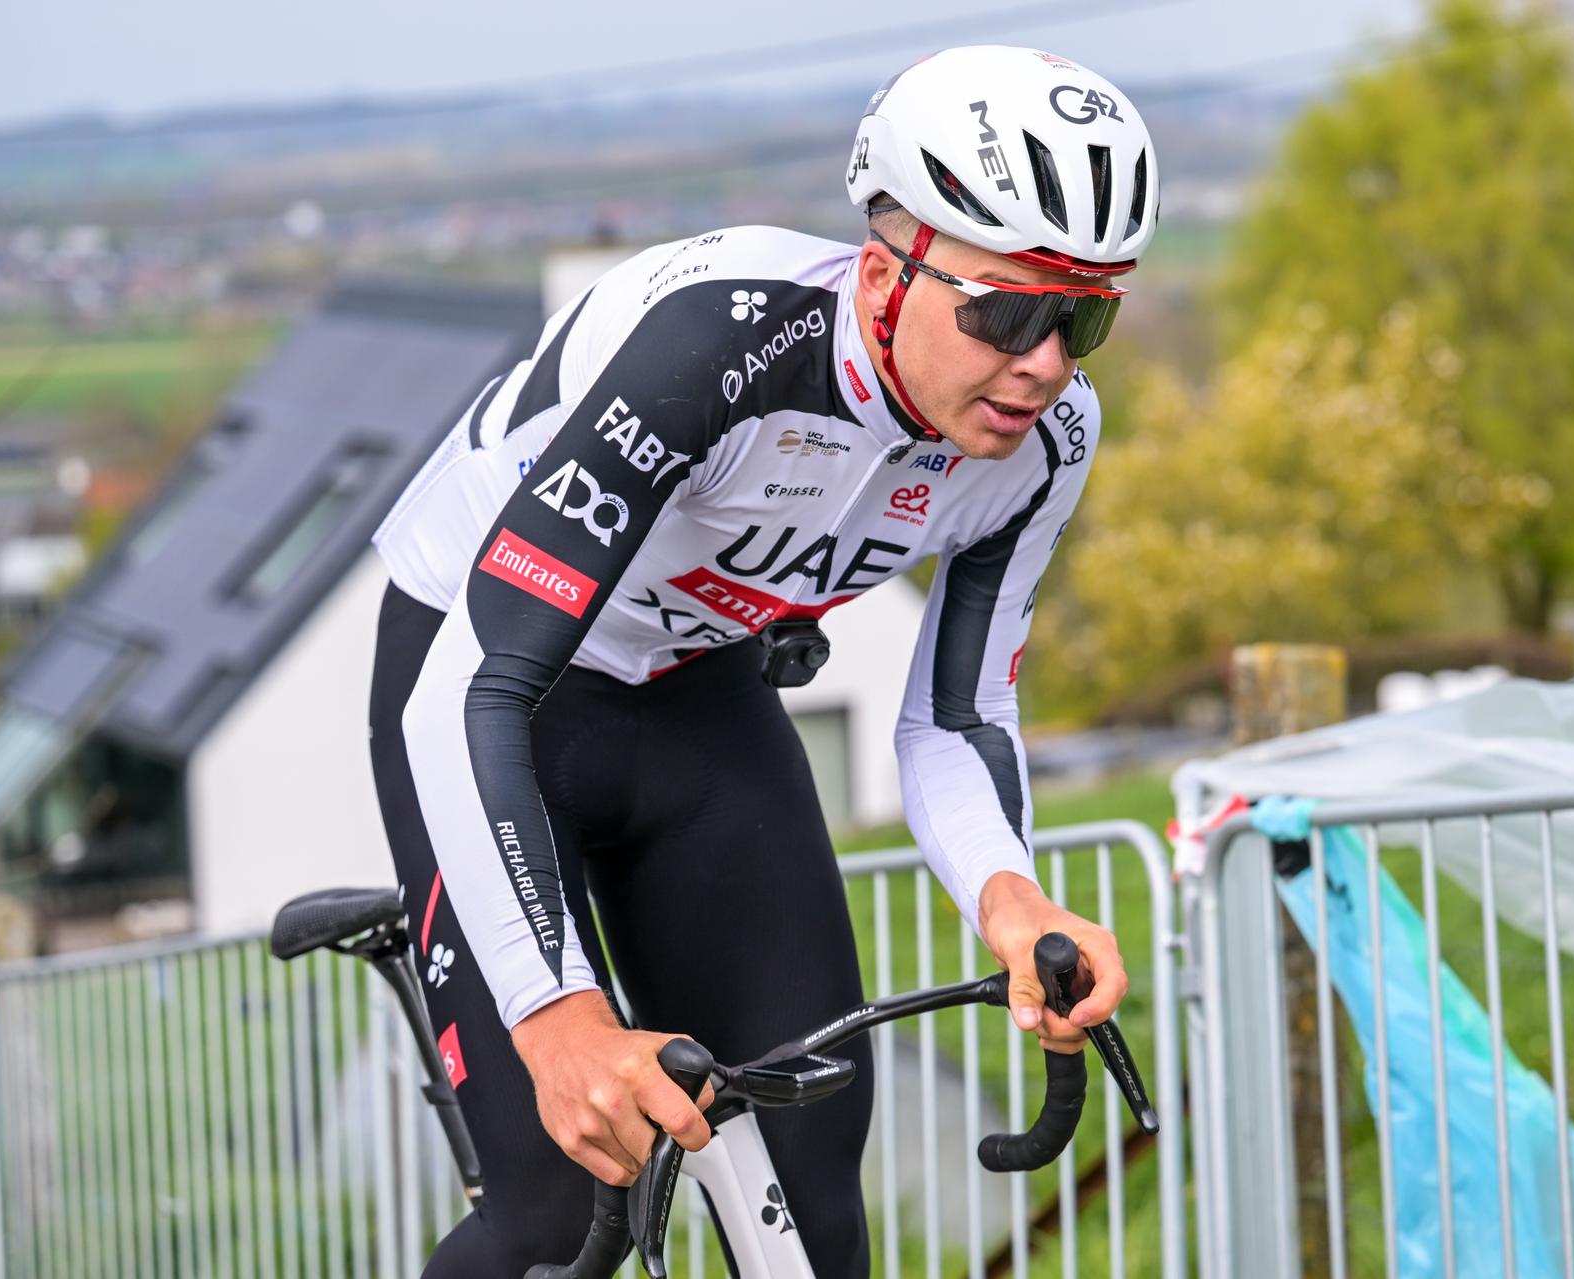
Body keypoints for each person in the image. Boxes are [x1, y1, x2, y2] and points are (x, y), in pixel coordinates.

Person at [365, 43, 1161, 1277]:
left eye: (1085, 316)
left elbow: (956, 716)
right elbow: (473, 687)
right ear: (889, 263)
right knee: (560, 1208)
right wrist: (560, 1015)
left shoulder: (1046, 441)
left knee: (809, 1175)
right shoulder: (717, 342)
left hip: (697, 694)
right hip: (488, 689)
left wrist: (1015, 898)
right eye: (1008, 309)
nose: (1046, 360)